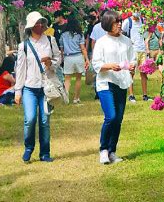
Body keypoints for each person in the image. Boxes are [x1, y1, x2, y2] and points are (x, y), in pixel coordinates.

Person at [15, 11, 61, 163]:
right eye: (37, 23)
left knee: (44, 121)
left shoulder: (50, 39)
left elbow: (58, 58)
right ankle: (28, 148)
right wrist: (18, 91)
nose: (40, 25)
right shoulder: (24, 46)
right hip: (30, 87)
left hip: (46, 87)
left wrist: (51, 63)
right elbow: (20, 69)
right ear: (30, 26)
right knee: (30, 119)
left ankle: (45, 153)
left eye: (42, 22)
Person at [92, 10, 136, 164]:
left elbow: (133, 58)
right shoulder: (101, 42)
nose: (119, 24)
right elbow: (96, 64)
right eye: (116, 22)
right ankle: (103, 150)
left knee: (118, 119)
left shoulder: (126, 41)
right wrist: (110, 66)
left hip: (121, 82)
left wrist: (131, 67)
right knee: (110, 116)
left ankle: (112, 151)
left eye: (119, 21)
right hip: (106, 82)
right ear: (108, 24)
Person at [60, 15, 89, 105]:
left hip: (68, 57)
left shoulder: (63, 35)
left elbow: (62, 49)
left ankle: (66, 98)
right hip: (78, 57)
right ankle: (76, 98)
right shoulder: (79, 34)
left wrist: (62, 59)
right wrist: (87, 59)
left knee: (67, 79)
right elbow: (83, 48)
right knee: (78, 79)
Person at [122, 11, 150, 103]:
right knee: (131, 72)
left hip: (142, 49)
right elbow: (122, 33)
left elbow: (146, 34)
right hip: (133, 50)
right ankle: (131, 95)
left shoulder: (143, 20)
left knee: (144, 73)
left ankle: (145, 95)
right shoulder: (127, 21)